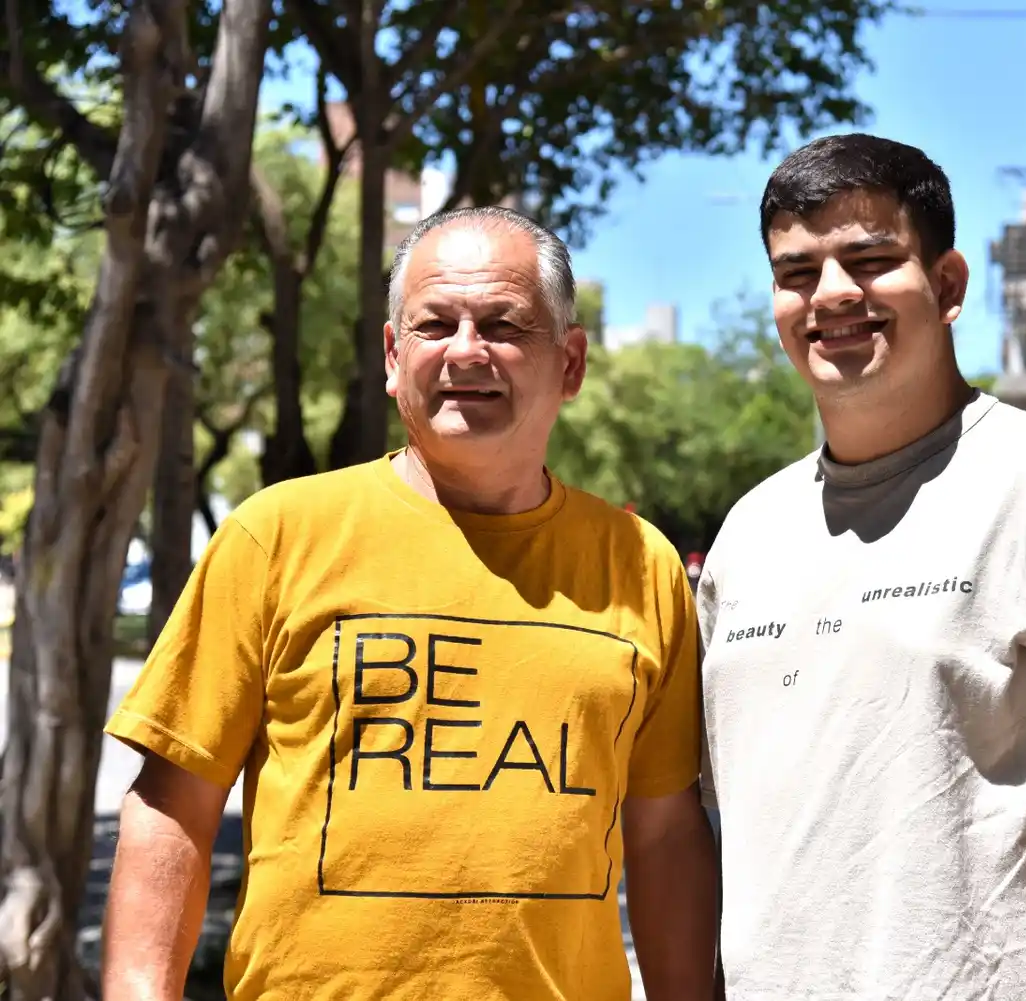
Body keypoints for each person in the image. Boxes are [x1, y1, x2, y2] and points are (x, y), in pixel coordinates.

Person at [101, 206, 719, 1001]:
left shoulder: (642, 566)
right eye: (436, 325)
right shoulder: (276, 535)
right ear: (395, 357)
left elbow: (666, 833)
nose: (467, 350)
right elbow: (171, 804)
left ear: (569, 363)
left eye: (504, 324)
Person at [696, 134, 1026, 1001]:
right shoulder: (749, 534)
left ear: (947, 285)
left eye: (871, 260)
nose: (832, 296)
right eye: (797, 272)